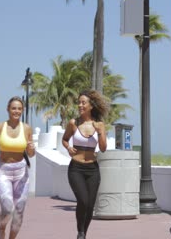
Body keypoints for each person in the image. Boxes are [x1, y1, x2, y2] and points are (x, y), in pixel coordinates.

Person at [62, 89, 108, 239]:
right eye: (79, 102)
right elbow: (65, 139)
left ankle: (83, 234)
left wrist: (100, 132)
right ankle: (80, 232)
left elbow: (102, 148)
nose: (80, 105)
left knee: (90, 205)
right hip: (76, 168)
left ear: (91, 106)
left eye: (83, 102)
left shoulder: (99, 124)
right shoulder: (73, 123)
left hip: (93, 169)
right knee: (83, 200)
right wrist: (68, 147)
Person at [0, 96, 35, 239]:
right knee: (8, 208)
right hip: (4, 170)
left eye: (19, 108)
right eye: (14, 108)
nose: (17, 111)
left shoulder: (26, 128)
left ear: (22, 110)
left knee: (19, 210)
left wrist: (32, 148)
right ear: (8, 109)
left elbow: (31, 154)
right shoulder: (0, 127)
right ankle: (1, 227)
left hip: (21, 171)